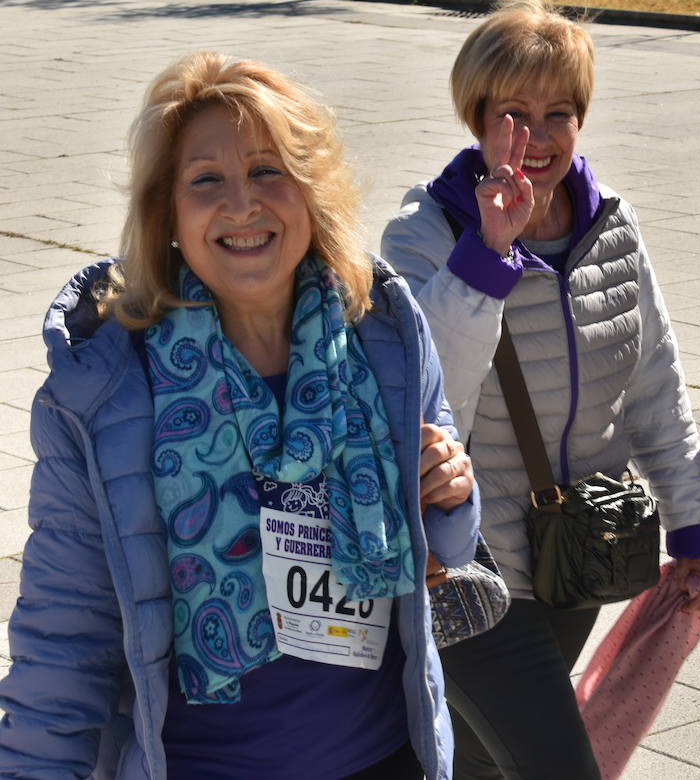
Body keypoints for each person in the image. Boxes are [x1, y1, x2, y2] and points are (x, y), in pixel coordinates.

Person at [0, 52, 479, 780]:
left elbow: (448, 545)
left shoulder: (382, 333)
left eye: (266, 171)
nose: (242, 204)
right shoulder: (103, 394)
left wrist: (451, 489)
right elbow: (65, 643)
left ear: (310, 190)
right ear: (168, 212)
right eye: (205, 181)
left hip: (387, 759)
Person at [381, 0, 700, 780]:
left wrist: (697, 526)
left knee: (480, 763)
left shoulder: (613, 229)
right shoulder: (424, 236)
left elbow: (653, 388)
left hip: (576, 557)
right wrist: (486, 259)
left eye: (560, 114)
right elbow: (424, 399)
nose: (536, 139)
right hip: (463, 568)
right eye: (514, 113)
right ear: (476, 116)